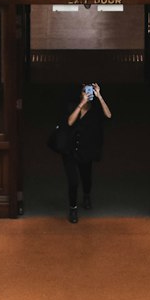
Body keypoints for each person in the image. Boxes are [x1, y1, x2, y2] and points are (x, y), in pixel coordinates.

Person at [60, 82, 112, 224]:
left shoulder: (95, 110)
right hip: (70, 150)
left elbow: (108, 115)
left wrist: (100, 97)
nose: (88, 93)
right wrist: (81, 104)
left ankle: (87, 196)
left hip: (86, 149)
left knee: (86, 176)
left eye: (90, 91)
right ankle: (73, 208)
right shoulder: (73, 106)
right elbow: (69, 122)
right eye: (85, 91)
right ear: (80, 93)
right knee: (73, 181)